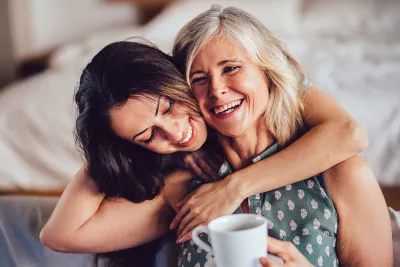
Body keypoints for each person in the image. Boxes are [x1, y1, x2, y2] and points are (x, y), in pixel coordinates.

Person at [39, 20, 379, 266]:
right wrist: (108, 147)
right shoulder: (187, 191)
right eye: (148, 136)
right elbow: (63, 235)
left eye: (169, 106)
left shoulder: (338, 171)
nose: (174, 132)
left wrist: (234, 188)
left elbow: (349, 132)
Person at [170, 5, 392, 267]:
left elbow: (350, 133)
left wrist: (234, 187)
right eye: (199, 78)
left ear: (266, 70)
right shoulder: (184, 184)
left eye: (230, 68)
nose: (217, 90)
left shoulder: (342, 175)